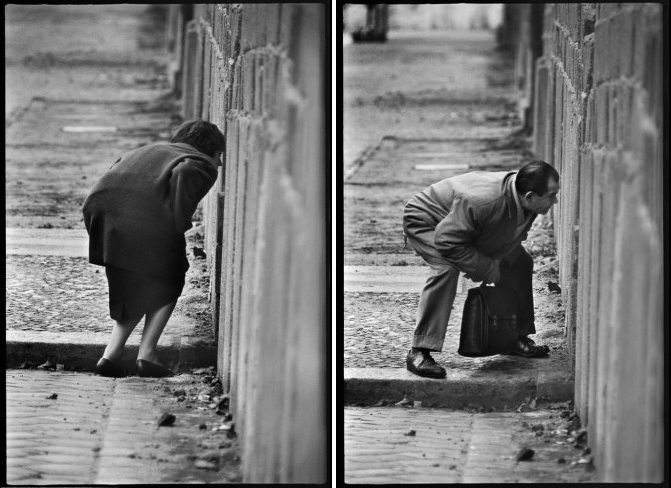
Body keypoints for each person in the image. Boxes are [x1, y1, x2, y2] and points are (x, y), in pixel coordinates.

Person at [82, 119, 225, 378]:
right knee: (171, 276)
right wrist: (180, 221)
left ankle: (111, 356)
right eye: (220, 155)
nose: (220, 162)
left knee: (130, 285)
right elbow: (185, 173)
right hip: (141, 218)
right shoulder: (201, 162)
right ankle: (147, 354)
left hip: (101, 215)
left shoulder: (148, 150)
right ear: (209, 150)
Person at [402, 160, 560, 378]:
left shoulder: (525, 196)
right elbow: (447, 240)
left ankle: (515, 336)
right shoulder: (484, 202)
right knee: (446, 269)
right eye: (551, 195)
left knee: (520, 261)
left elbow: (508, 237)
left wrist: (498, 261)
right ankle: (419, 350)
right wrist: (487, 268)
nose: (556, 200)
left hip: (464, 224)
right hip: (428, 220)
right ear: (530, 196)